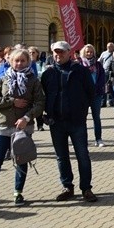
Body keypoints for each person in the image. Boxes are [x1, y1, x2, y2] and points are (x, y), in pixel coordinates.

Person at [0, 48, 45, 212]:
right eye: (16, 61)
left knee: (21, 160)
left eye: (23, 61)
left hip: (23, 127)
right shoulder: (3, 79)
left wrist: (26, 118)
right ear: (10, 62)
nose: (19, 64)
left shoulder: (33, 80)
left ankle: (18, 193)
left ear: (28, 62)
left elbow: (40, 103)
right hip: (2, 126)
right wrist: (11, 101)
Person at [41, 41, 97, 203]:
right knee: (61, 156)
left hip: (77, 121)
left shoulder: (81, 71)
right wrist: (44, 115)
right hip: (56, 122)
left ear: (69, 53)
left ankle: (86, 188)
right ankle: (67, 187)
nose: (58, 56)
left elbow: (91, 93)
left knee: (83, 156)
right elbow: (42, 97)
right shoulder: (48, 74)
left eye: (61, 53)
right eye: (55, 53)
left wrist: (87, 112)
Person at [80, 44, 107, 147]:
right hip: (84, 95)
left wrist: (97, 88)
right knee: (83, 118)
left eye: (91, 52)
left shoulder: (98, 64)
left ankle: (98, 139)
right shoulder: (80, 64)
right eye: (87, 52)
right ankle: (83, 140)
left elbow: (102, 78)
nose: (89, 53)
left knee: (96, 117)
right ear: (84, 53)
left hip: (96, 94)